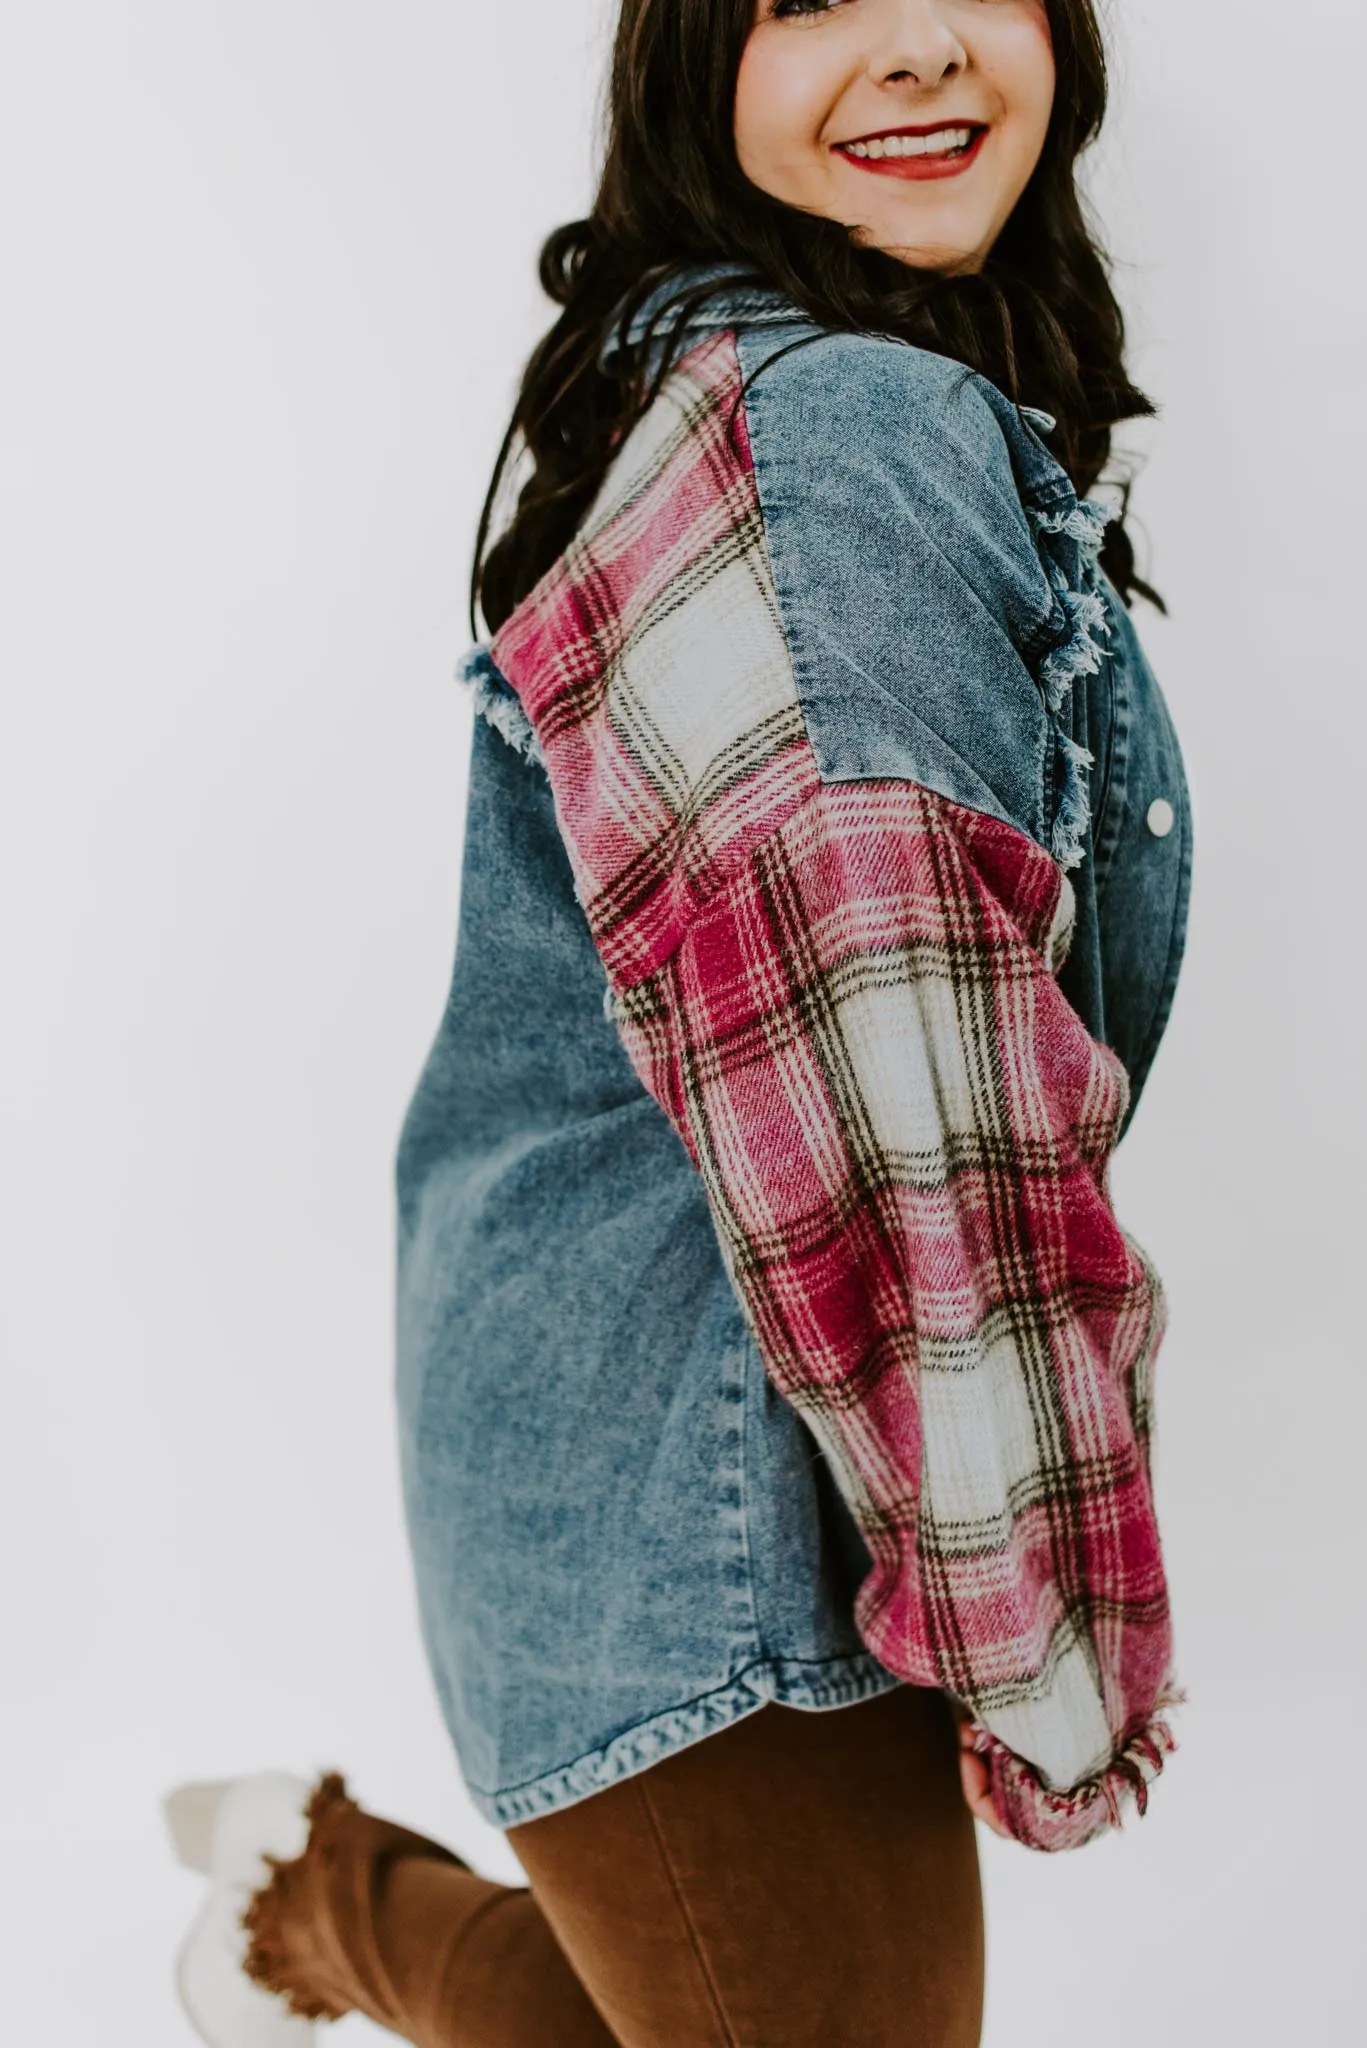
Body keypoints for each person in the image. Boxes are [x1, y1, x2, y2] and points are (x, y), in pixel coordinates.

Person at [166, 1, 1194, 2042]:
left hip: (611, 1438)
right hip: (701, 1506)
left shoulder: (752, 385)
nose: (911, 50)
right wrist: (1045, 1663)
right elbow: (921, 1134)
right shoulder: (840, 444)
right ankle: (327, 1899)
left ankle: (315, 1896)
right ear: (687, 60)